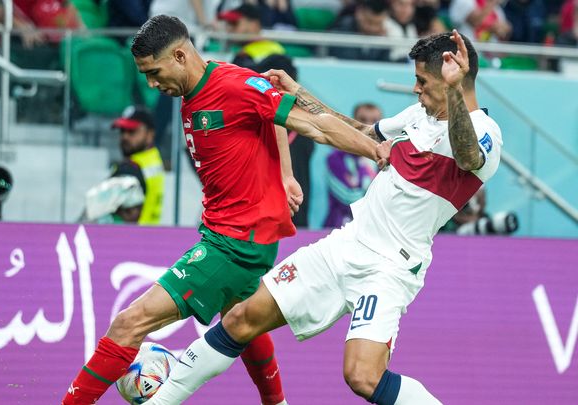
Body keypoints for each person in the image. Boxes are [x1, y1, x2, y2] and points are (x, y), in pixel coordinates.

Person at [145, 30, 503, 405]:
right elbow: (360, 131)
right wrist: (299, 93)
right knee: (241, 319)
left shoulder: (485, 132)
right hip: (346, 245)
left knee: (363, 377)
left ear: (454, 79)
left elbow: (467, 156)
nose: (415, 89)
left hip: (390, 268)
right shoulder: (418, 115)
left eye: (422, 81)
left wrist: (453, 92)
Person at [62, 14, 386, 405]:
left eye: (154, 71)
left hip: (233, 243)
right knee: (242, 321)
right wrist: (284, 174)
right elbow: (271, 117)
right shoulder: (195, 90)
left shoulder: (232, 86)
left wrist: (375, 150)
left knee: (129, 323)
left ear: (180, 55)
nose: (151, 83)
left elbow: (313, 124)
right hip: (228, 233)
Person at [323, 103, 381, 228]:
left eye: (375, 122)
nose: (369, 127)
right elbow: (348, 198)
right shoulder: (336, 158)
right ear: (353, 124)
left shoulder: (386, 161)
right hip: (339, 229)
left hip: (374, 231)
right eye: (363, 120)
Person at [112, 105, 165, 225]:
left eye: (132, 131)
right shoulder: (154, 158)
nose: (125, 137)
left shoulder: (131, 168)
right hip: (148, 236)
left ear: (150, 134)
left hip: (127, 239)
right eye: (122, 131)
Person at [219, 3, 287, 68]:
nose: (229, 29)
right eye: (228, 24)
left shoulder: (245, 56)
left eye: (234, 23)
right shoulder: (276, 47)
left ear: (254, 24)